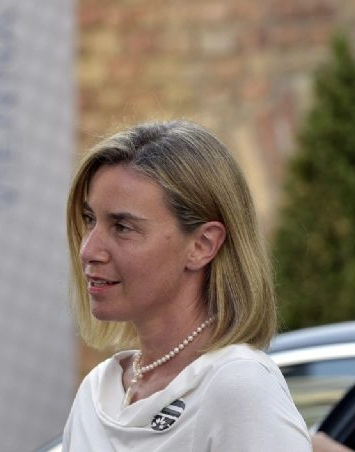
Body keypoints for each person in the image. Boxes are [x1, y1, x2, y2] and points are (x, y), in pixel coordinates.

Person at [61, 120, 311, 451]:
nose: (89, 250)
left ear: (203, 245)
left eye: (122, 227)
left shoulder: (238, 386)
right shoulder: (98, 392)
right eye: (90, 220)